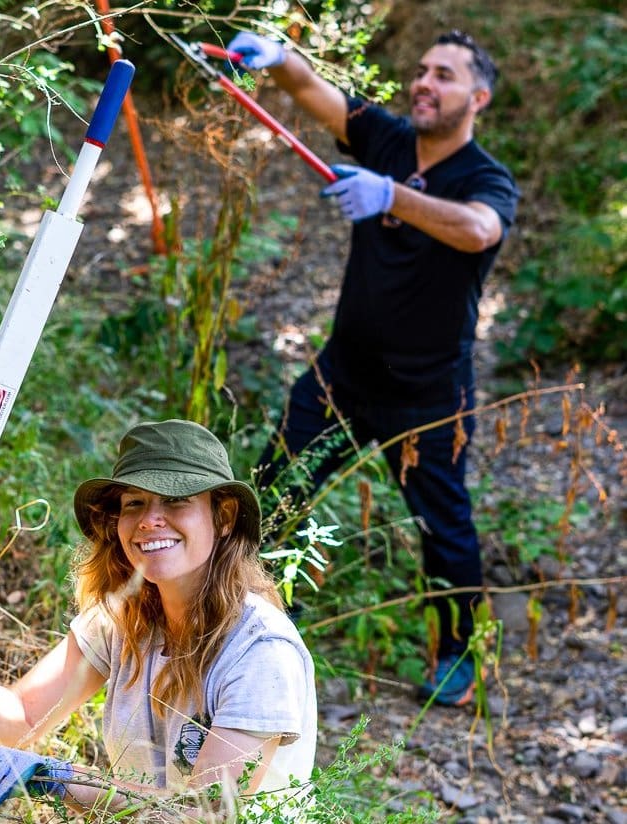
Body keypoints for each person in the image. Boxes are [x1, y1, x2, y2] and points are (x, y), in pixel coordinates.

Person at [225, 29, 519, 707]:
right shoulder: (385, 138)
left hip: (428, 395)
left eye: (443, 75)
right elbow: (307, 89)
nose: (424, 81)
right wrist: (276, 56)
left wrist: (392, 197)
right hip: (340, 377)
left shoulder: (484, 178)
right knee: (270, 492)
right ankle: (236, 617)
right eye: (420, 70)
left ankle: (456, 656)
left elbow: (478, 230)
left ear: (477, 98)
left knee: (443, 530)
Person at [0, 419, 317, 818]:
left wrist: (58, 778)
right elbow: (20, 718)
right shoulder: (125, 620)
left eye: (175, 502)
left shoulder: (260, 652)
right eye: (134, 503)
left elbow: (206, 816)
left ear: (224, 517)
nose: (149, 521)